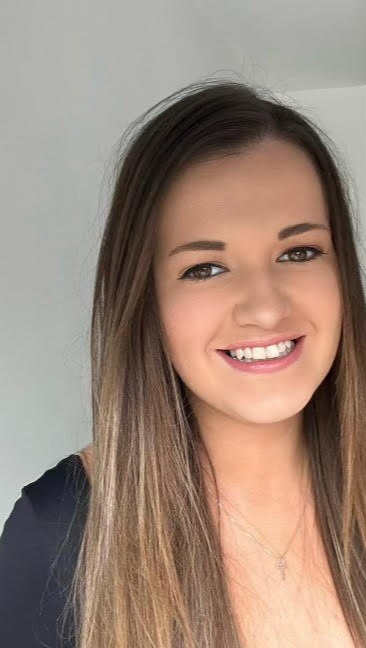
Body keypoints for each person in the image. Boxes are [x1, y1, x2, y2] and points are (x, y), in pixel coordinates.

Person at [1, 77, 365, 647]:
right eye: (206, 268)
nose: (266, 309)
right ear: (146, 299)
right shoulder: (60, 533)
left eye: (299, 252)